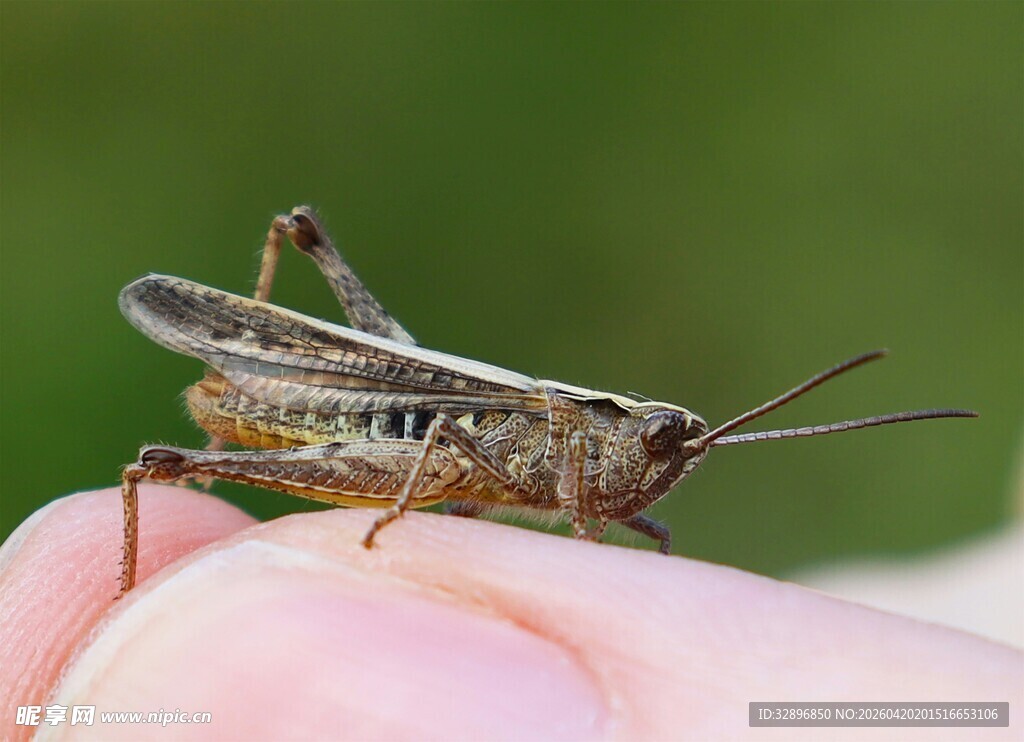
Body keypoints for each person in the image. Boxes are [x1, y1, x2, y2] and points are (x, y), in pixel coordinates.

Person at [1, 485, 1020, 740]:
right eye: (666, 442)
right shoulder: (556, 429)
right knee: (159, 481)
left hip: (428, 464)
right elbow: (447, 427)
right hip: (381, 421)